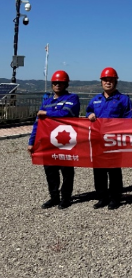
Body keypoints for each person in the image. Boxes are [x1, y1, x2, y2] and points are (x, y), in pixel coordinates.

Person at [27, 70, 81, 210]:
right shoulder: (47, 101)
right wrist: (31, 142)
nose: (57, 85)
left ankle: (66, 198)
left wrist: (47, 113)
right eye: (55, 83)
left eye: (61, 83)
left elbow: (67, 113)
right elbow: (38, 123)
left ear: (66, 84)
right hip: (48, 142)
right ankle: (54, 197)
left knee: (66, 171)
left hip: (66, 142)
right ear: (52, 84)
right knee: (50, 171)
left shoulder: (72, 98)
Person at [86, 67, 132, 210]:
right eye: (105, 80)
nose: (108, 82)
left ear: (116, 82)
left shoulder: (123, 100)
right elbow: (88, 111)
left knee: (114, 171)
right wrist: (89, 115)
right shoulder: (96, 100)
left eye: (111, 80)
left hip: (114, 141)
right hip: (98, 141)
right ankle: (102, 197)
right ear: (101, 82)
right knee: (99, 171)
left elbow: (129, 120)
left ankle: (115, 198)